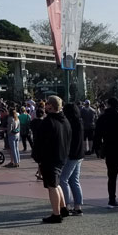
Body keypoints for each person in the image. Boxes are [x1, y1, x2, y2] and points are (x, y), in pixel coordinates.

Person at [32, 95, 71, 224]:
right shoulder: (65, 120)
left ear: (50, 106)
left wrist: (38, 157)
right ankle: (63, 207)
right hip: (61, 156)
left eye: (47, 104)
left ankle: (56, 214)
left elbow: (40, 141)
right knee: (57, 183)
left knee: (51, 185)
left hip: (50, 158)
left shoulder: (48, 122)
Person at [59, 102, 84, 217]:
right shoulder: (79, 122)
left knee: (63, 179)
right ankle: (78, 206)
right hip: (79, 154)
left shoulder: (69, 123)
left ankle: (66, 205)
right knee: (74, 180)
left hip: (71, 155)